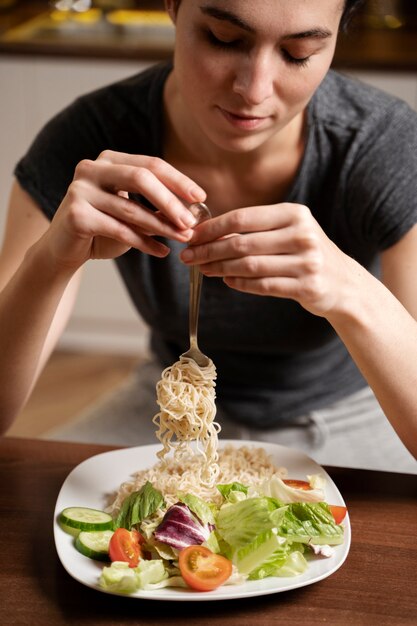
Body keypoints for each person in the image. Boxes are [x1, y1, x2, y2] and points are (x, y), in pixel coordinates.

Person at [0, 0, 416, 471]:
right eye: (223, 38)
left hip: (353, 414)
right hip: (167, 407)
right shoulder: (92, 137)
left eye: (298, 53)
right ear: (173, 7)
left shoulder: (381, 144)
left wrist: (351, 290)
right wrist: (50, 261)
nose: (254, 91)